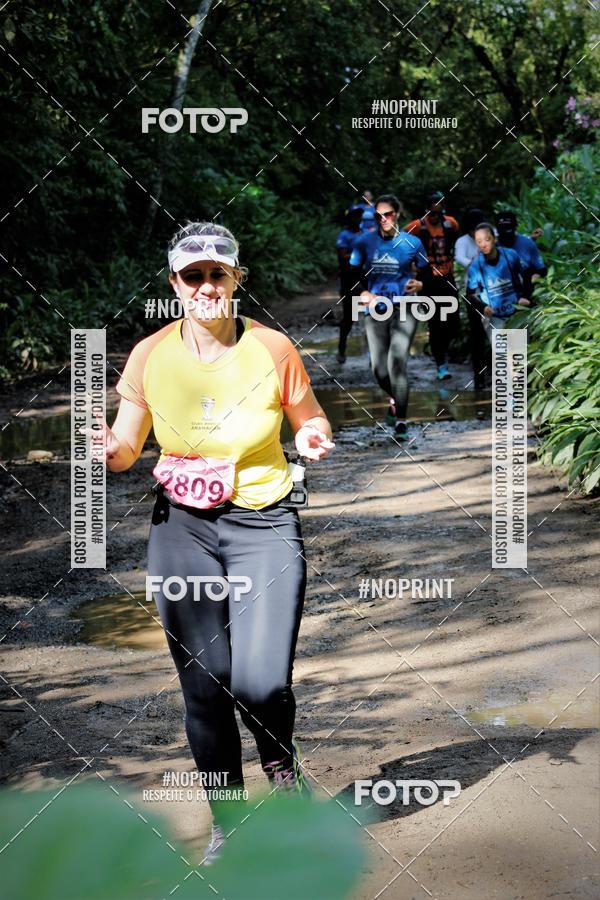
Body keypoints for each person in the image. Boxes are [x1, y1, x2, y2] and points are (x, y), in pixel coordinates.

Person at [94, 222, 335, 863]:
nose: (205, 286)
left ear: (236, 279)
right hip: (182, 528)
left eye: (216, 274)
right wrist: (105, 448)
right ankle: (228, 819)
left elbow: (309, 416)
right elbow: (125, 450)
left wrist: (311, 436)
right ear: (174, 285)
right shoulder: (149, 354)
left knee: (260, 682)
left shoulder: (272, 348)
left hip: (263, 520)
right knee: (205, 683)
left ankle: (282, 772)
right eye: (191, 276)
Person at [349, 194, 430, 440]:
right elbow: (349, 276)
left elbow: (429, 274)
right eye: (379, 215)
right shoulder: (364, 243)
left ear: (397, 214)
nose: (383, 219)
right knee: (379, 369)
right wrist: (362, 292)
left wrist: (420, 284)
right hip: (375, 308)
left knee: (397, 363)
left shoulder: (412, 243)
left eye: (388, 214)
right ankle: (394, 398)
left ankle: (401, 422)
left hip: (406, 306)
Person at [404, 190, 460, 381]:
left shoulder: (450, 224)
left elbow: (458, 240)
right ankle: (441, 365)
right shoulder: (416, 226)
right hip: (426, 279)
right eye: (432, 213)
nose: (436, 217)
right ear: (426, 211)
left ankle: (441, 349)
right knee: (436, 323)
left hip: (447, 277)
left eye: (439, 212)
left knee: (453, 324)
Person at [466, 223, 531, 339]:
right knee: (502, 356)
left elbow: (526, 274)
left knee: (518, 353)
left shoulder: (510, 255)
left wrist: (526, 296)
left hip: (517, 311)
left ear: (494, 239)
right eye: (479, 241)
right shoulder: (475, 266)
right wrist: (483, 307)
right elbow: (470, 295)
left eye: (487, 239)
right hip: (494, 317)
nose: (483, 244)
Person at [455, 208, 488, 390]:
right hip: (474, 289)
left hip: (494, 287)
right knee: (477, 334)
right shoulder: (462, 242)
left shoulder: (490, 236)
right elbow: (460, 259)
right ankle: (479, 376)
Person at [496, 210, 547, 302]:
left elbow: (541, 269)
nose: (507, 234)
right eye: (503, 230)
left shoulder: (527, 243)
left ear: (515, 227)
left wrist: (535, 277)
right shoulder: (491, 247)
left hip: (527, 294)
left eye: (509, 229)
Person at [336, 205, 364, 363]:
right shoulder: (344, 235)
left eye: (360, 216)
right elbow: (342, 257)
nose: (358, 219)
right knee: (349, 316)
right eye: (355, 216)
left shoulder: (365, 234)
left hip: (365, 278)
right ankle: (341, 349)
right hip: (349, 279)